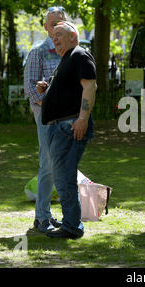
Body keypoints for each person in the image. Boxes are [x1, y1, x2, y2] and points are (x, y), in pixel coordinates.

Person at [37, 20, 97, 239]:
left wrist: (82, 118)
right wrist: (48, 87)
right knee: (62, 177)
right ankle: (71, 222)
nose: (55, 38)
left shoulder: (79, 54)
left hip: (70, 126)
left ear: (73, 36)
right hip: (59, 127)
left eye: (59, 34)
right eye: (53, 36)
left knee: (63, 178)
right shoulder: (67, 59)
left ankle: (72, 226)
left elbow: (90, 86)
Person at [23, 6, 67, 233]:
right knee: (48, 165)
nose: (56, 28)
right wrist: (51, 101)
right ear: (45, 27)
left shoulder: (70, 52)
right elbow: (31, 91)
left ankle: (49, 215)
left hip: (67, 117)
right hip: (47, 117)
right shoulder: (37, 51)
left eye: (60, 23)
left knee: (61, 165)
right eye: (52, 24)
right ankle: (41, 218)